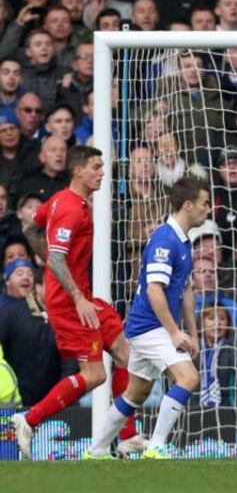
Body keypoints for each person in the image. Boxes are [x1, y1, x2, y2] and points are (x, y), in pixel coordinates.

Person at [12, 146, 144, 459]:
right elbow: (57, 256)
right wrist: (75, 296)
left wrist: (49, 263)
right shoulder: (70, 208)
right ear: (78, 171)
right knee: (96, 374)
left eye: (102, 166)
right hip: (70, 303)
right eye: (96, 166)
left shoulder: (60, 200)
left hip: (83, 297)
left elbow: (31, 224)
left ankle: (126, 437)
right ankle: (28, 420)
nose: (102, 172)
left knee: (127, 355)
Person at [84, 177, 211, 459]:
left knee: (135, 394)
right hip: (149, 327)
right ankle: (156, 447)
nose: (208, 209)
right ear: (188, 206)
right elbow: (155, 290)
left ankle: (96, 450)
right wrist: (175, 333)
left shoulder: (183, 240)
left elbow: (186, 289)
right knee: (188, 378)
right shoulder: (165, 239)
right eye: (204, 204)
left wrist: (192, 332)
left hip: (153, 328)